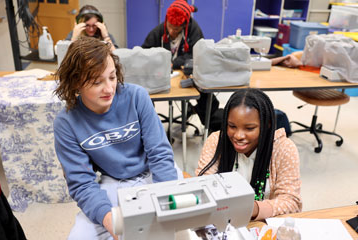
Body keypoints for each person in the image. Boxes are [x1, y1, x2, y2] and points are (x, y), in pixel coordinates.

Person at [53, 37, 180, 239]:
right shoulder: (66, 123)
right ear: (76, 82)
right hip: (112, 181)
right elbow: (82, 183)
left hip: (152, 174)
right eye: (97, 82)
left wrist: (166, 195)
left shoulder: (137, 97)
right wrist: (108, 218)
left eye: (112, 77)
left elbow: (160, 154)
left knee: (174, 229)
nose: (109, 88)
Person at [195, 88, 302, 220]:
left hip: (263, 225)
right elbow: (202, 186)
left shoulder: (283, 149)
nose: (238, 136)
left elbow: (291, 203)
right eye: (232, 126)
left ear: (266, 125)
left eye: (249, 128)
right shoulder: (216, 141)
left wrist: (253, 208)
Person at [142, 0, 222, 132]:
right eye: (170, 26)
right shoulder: (159, 31)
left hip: (186, 74)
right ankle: (151, 130)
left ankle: (213, 128)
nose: (172, 31)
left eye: (177, 28)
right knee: (145, 96)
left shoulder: (193, 29)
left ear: (184, 25)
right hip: (163, 75)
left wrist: (175, 62)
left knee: (206, 96)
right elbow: (144, 52)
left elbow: (198, 55)